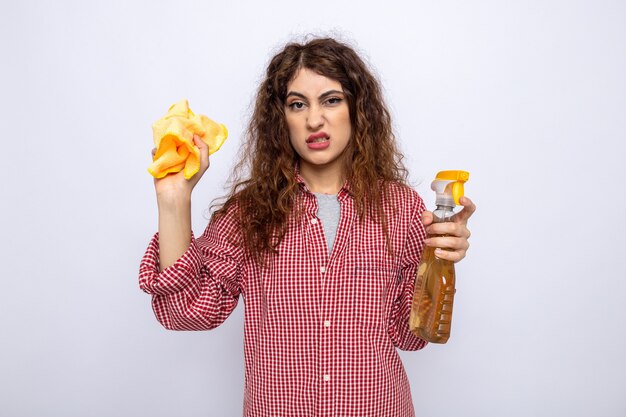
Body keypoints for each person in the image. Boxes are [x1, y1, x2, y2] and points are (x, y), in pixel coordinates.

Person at [139, 37, 475, 417]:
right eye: (298, 104)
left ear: (357, 108)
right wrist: (173, 201)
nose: (314, 119)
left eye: (331, 100)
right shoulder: (248, 214)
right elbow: (183, 312)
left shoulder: (400, 208)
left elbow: (409, 335)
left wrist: (440, 256)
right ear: (281, 119)